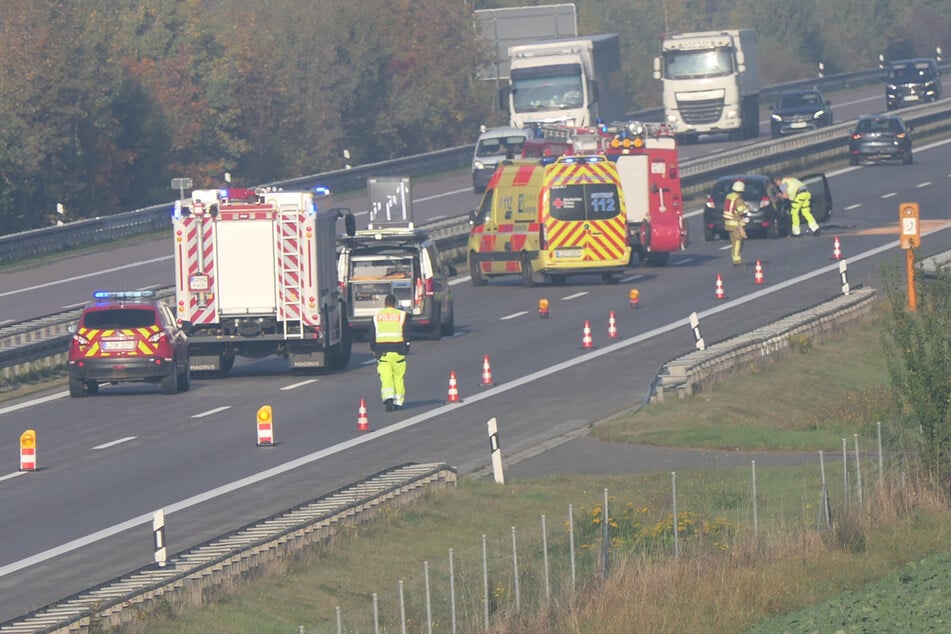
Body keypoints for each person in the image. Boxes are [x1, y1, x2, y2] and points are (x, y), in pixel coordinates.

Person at [370, 294, 410, 412]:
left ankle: (388, 399)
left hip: (383, 353)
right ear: (395, 304)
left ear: (385, 304)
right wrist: (406, 347)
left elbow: (372, 334)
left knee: (386, 378)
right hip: (398, 353)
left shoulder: (377, 316)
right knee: (398, 378)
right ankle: (398, 402)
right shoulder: (401, 315)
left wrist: (373, 348)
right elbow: (407, 334)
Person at [723, 180, 750, 266]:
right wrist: (747, 209)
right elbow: (742, 210)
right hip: (735, 224)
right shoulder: (738, 199)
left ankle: (736, 258)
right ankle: (736, 260)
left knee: (735, 241)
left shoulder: (730, 196)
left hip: (729, 223)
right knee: (738, 241)